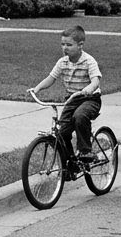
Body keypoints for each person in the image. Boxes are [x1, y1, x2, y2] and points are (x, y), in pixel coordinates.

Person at [29, 25, 103, 174]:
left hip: (90, 99)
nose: (65, 48)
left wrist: (88, 89)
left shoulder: (89, 61)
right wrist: (36, 89)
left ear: (80, 45)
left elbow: (96, 81)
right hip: (71, 100)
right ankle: (71, 165)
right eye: (62, 44)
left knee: (80, 116)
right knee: (62, 133)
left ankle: (85, 151)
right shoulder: (62, 62)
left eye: (69, 45)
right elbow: (51, 78)